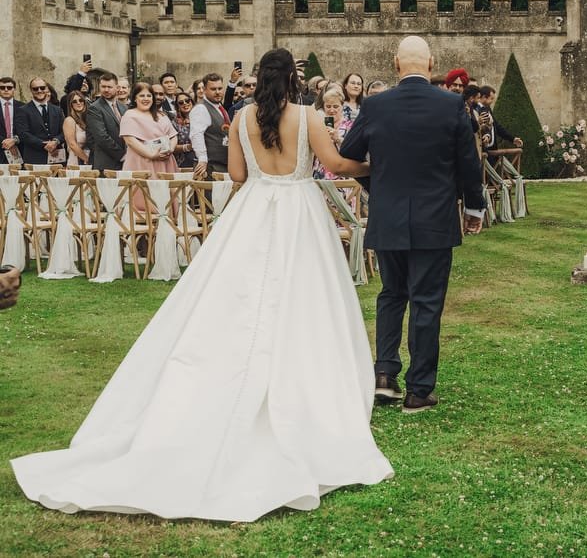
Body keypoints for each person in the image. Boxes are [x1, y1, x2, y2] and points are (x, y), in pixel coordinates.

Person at [10, 47, 393, 521]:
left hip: (252, 210)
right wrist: (377, 165)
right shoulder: (309, 116)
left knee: (235, 300)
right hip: (299, 212)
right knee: (305, 300)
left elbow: (234, 175)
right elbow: (335, 161)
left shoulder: (241, 120)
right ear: (293, 79)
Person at [340, 36, 484, 414]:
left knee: (391, 294)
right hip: (434, 218)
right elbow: (468, 162)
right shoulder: (452, 104)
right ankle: (419, 391)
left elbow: (349, 154)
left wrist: (380, 185)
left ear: (395, 64)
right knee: (426, 302)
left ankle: (385, 376)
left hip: (388, 216)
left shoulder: (374, 105)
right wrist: (474, 207)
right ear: (432, 64)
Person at [121, 81, 179, 185]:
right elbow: (130, 141)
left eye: (149, 95)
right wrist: (151, 155)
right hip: (141, 161)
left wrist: (171, 149)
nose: (146, 99)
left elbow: (173, 135)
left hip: (165, 161)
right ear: (135, 98)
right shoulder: (129, 115)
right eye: (142, 95)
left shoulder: (161, 115)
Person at [189, 73, 232, 180]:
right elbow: (196, 135)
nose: (217, 92)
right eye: (213, 89)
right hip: (210, 166)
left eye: (220, 88)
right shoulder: (201, 108)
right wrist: (202, 159)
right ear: (204, 90)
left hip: (223, 165)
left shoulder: (220, 107)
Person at [15, 77, 66, 165]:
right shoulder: (23, 110)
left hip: (56, 157)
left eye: (42, 88)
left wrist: (56, 141)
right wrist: (44, 144)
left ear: (47, 89)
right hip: (34, 158)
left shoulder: (57, 110)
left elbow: (64, 131)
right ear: (31, 90)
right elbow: (23, 134)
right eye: (35, 89)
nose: (39, 91)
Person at [86, 73, 127, 173]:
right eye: (103, 86)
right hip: (106, 163)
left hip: (125, 163)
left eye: (109, 87)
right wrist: (121, 155)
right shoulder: (94, 108)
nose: (106, 90)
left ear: (117, 88)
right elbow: (101, 137)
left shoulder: (123, 107)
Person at [62, 91, 91, 167]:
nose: (78, 103)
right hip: (77, 161)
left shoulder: (87, 120)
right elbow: (72, 144)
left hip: (88, 159)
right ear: (70, 105)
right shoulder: (69, 120)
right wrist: (87, 159)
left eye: (81, 100)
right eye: (74, 101)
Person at [0, 77, 23, 165]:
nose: (6, 90)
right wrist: (5, 142)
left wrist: (14, 140)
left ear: (14, 89)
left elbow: (26, 128)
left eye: (9, 88)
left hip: (19, 149)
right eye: (2, 88)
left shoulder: (23, 107)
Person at [172, 93, 197, 168]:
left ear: (191, 102)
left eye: (187, 100)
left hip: (205, 160)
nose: (185, 104)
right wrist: (189, 147)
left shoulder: (202, 118)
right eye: (181, 102)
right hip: (184, 163)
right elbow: (172, 147)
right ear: (178, 107)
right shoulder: (174, 123)